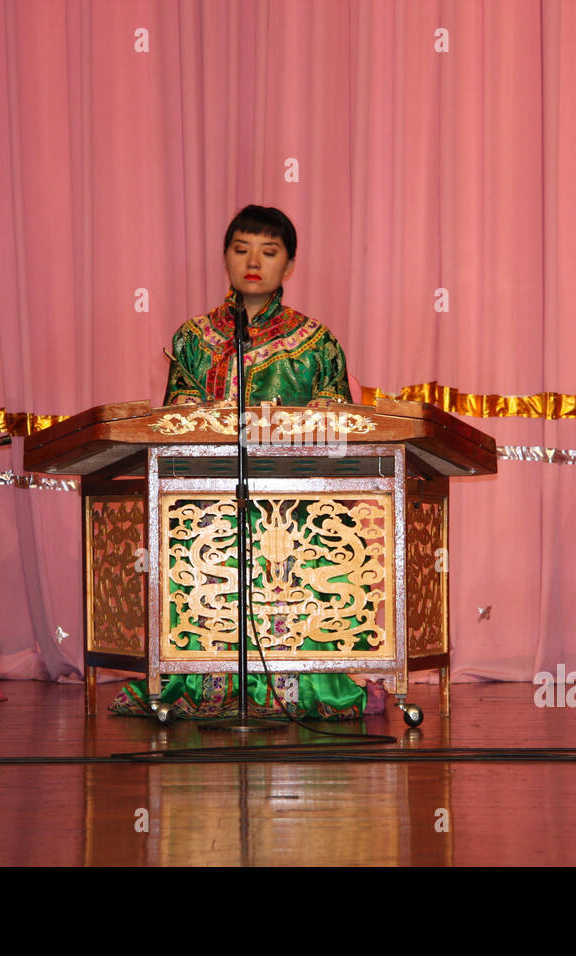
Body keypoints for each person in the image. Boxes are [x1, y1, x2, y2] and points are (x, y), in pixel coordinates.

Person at [109, 205, 380, 720]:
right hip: (210, 505)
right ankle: (203, 678)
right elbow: (177, 421)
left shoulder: (317, 343)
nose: (253, 261)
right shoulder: (193, 338)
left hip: (295, 511)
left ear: (289, 265)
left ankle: (300, 681)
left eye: (269, 251)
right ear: (225, 257)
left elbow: (340, 428)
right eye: (242, 249)